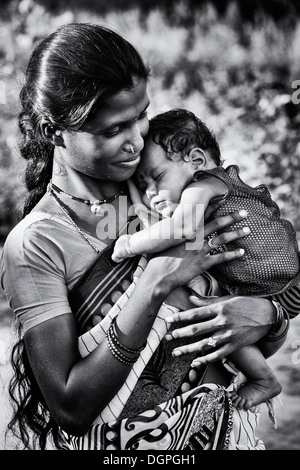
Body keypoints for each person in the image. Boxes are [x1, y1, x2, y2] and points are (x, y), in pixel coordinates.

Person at [0, 23, 296, 451]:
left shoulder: (172, 193)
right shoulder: (37, 243)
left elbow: (249, 328)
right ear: (53, 132)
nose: (136, 140)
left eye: (140, 116)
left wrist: (267, 316)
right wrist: (156, 281)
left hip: (227, 436)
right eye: (111, 131)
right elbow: (72, 407)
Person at [112, 108, 300, 411]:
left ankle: (264, 380)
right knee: (216, 314)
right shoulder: (218, 186)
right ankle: (259, 375)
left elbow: (180, 228)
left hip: (268, 286)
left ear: (197, 161)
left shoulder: (202, 186)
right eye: (143, 185)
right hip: (284, 281)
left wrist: (129, 244)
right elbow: (156, 214)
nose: (151, 192)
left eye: (157, 177)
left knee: (207, 315)